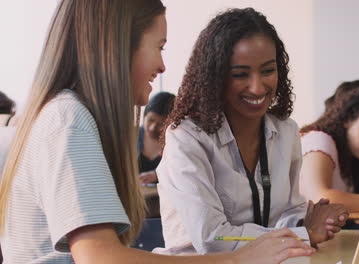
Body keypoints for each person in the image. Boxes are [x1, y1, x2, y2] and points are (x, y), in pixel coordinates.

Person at [0, 1, 315, 263]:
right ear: (118, 47)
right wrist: (239, 258)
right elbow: (101, 258)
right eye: (159, 47)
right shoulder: (69, 119)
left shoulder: (66, 114)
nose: (163, 66)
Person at [156, 8, 348, 256]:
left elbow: (289, 211)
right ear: (215, 76)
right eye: (240, 74)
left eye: (268, 70)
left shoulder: (285, 131)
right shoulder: (187, 138)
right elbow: (213, 237)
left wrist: (307, 220)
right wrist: (304, 234)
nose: (257, 87)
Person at [138, 91, 175, 184]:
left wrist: (158, 175)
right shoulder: (132, 136)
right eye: (150, 120)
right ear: (144, 115)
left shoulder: (176, 141)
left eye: (161, 124)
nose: (152, 128)